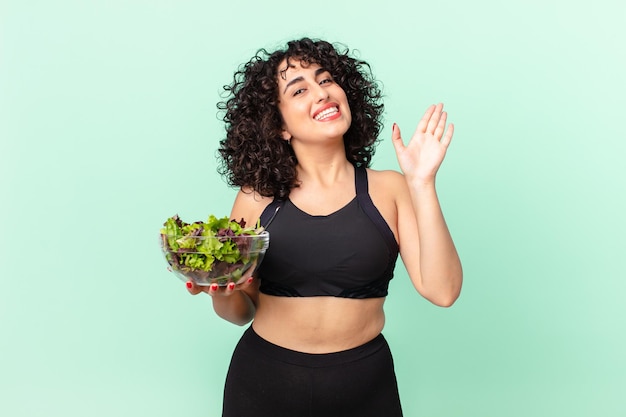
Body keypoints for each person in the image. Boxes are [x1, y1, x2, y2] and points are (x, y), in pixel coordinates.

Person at [185, 37, 463, 417]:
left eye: (326, 80)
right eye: (299, 90)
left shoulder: (391, 189)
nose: (322, 93)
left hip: (365, 384)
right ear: (279, 125)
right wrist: (219, 290)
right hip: (263, 382)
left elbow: (442, 291)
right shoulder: (256, 199)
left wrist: (422, 182)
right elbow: (241, 311)